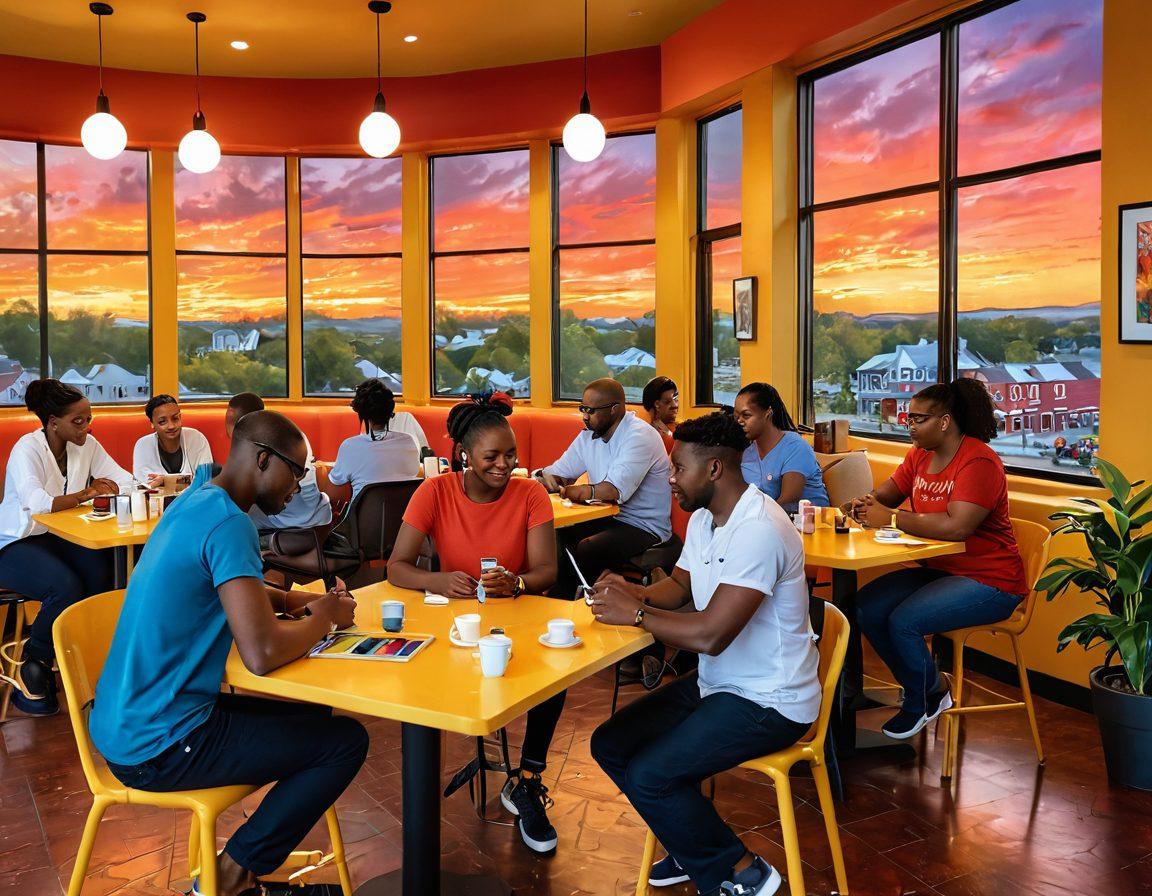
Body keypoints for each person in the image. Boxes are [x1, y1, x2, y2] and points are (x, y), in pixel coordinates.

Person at [90, 411, 367, 896]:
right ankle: (229, 878)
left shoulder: (197, 495)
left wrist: (295, 600)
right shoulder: (229, 523)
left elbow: (222, 583)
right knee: (344, 741)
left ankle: (241, 872)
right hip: (161, 743)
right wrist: (324, 617)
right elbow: (260, 653)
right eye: (297, 472)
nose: (298, 486)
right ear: (263, 459)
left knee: (316, 717)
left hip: (125, 722)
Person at [589, 412, 819, 896]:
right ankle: (690, 843)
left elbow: (713, 634)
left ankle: (742, 873)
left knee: (651, 776)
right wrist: (630, 591)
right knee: (611, 743)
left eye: (678, 468)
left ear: (714, 469)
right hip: (721, 685)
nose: (671, 478)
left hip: (771, 702)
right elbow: (678, 588)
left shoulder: (758, 528)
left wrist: (633, 615)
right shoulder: (705, 520)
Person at [386, 393, 563, 855]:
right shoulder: (435, 491)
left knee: (557, 677)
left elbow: (547, 571)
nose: (504, 465)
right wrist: (440, 579)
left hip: (519, 620)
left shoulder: (531, 493)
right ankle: (423, 789)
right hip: (455, 623)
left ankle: (526, 778)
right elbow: (397, 567)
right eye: (492, 456)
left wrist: (518, 584)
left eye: (511, 455)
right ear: (464, 454)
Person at [848, 378, 1028, 739]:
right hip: (941, 570)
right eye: (908, 418)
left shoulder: (979, 461)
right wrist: (861, 503)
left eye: (918, 419)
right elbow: (885, 495)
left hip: (991, 581)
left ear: (944, 422)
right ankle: (931, 688)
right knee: (864, 606)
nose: (909, 426)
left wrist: (893, 518)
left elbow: (958, 527)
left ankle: (920, 700)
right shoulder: (919, 455)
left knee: (904, 620)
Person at [0, 379, 133, 715]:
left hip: (56, 539)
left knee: (102, 573)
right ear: (52, 422)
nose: (86, 427)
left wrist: (148, 484)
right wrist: (87, 493)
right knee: (66, 587)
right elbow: (38, 504)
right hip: (14, 543)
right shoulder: (26, 450)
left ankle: (77, 657)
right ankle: (37, 660)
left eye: (88, 419)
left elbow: (123, 478)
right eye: (78, 421)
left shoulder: (85, 445)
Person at [538, 378, 672, 598]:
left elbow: (613, 491)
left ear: (614, 409)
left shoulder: (639, 436)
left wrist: (580, 491)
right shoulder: (590, 435)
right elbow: (558, 471)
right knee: (556, 534)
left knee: (589, 547)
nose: (584, 416)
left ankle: (583, 601)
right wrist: (548, 479)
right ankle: (561, 598)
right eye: (582, 409)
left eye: (590, 410)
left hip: (645, 525)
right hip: (610, 518)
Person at [225, 393, 333, 535]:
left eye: (231, 422)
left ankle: (266, 549)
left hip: (288, 519)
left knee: (230, 521)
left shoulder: (256, 445)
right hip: (316, 513)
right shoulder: (287, 431)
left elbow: (252, 490)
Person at [734, 382, 828, 514]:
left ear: (768, 413)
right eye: (736, 417)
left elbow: (789, 501)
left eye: (746, 415)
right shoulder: (747, 453)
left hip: (810, 527)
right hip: (767, 525)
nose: (739, 421)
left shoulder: (796, 447)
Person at [327, 379, 421, 502]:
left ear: (362, 413)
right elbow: (414, 471)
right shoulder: (409, 441)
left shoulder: (350, 446)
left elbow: (335, 484)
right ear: (390, 411)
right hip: (402, 519)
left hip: (363, 519)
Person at [132, 393, 214, 487]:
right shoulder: (143, 445)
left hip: (194, 499)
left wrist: (165, 481)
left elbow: (205, 479)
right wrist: (182, 481)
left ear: (180, 417)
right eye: (162, 422)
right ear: (152, 424)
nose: (171, 426)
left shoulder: (196, 438)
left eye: (175, 418)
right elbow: (146, 484)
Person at [642, 376, 679, 441]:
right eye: (668, 402)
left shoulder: (681, 428)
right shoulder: (647, 436)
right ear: (656, 405)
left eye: (675, 399)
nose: (675, 405)